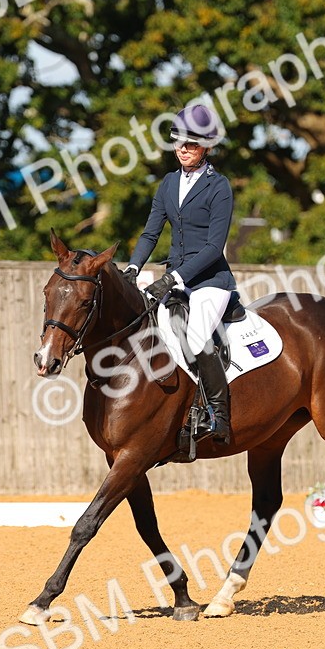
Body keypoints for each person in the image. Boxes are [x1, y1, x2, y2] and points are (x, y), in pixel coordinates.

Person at [124, 104, 235, 444]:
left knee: (198, 336)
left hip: (210, 282)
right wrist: (133, 267)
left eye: (191, 144)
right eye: (178, 143)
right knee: (152, 332)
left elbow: (214, 247)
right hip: (176, 281)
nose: (183, 149)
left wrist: (174, 278)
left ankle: (220, 416)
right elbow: (150, 233)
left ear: (207, 147)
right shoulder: (169, 183)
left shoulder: (219, 187)